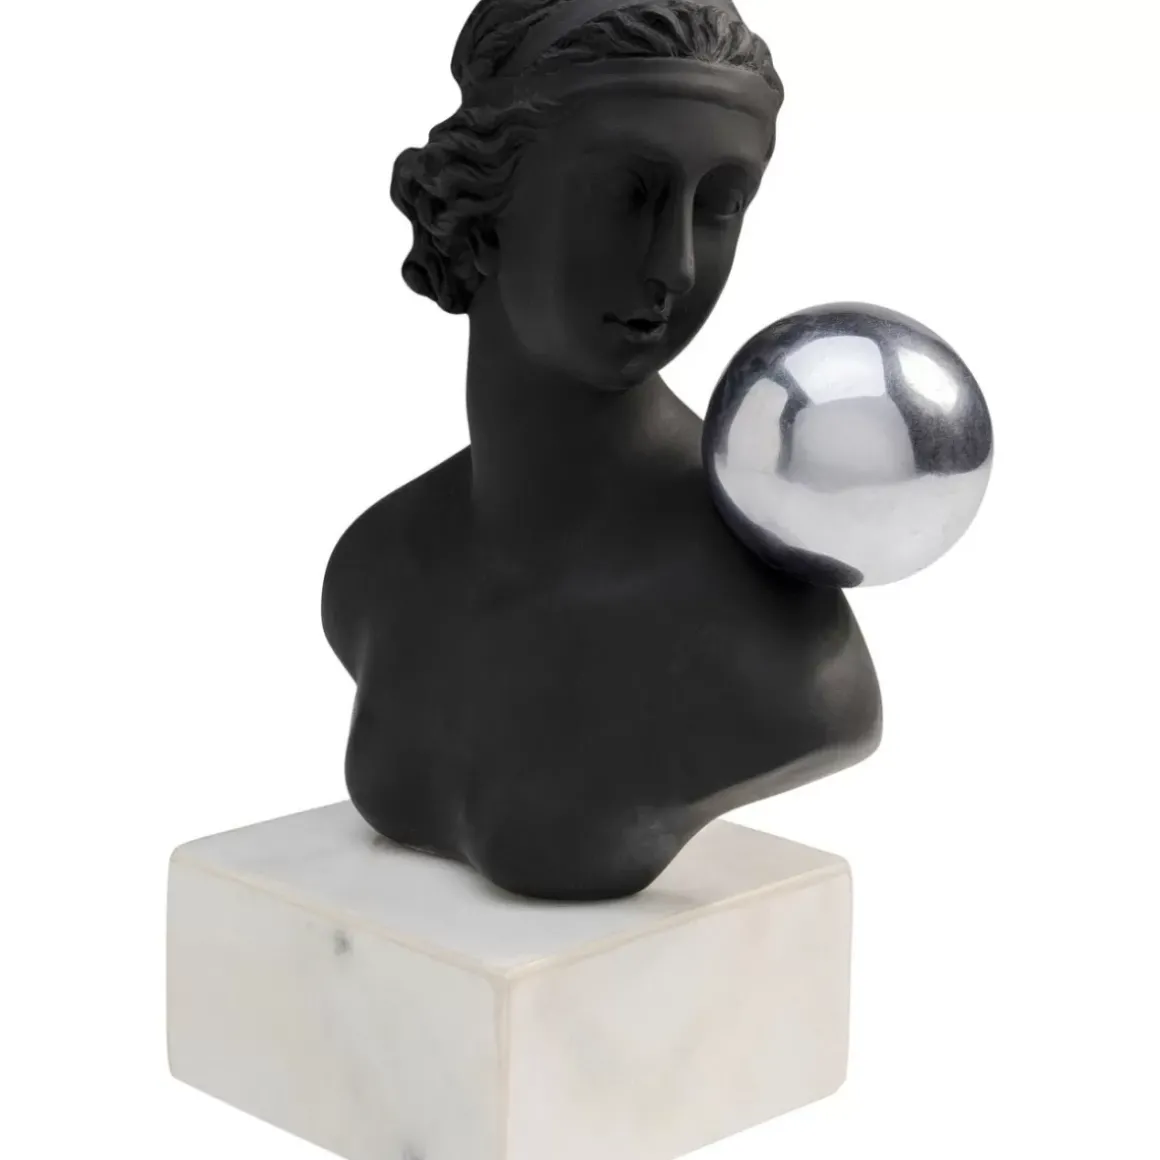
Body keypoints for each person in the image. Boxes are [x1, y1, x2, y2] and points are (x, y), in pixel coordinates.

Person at [323, 0, 882, 900]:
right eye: (627, 193)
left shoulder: (780, 652)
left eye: (720, 205)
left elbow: (826, 705)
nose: (676, 266)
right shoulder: (373, 569)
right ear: (482, 205)